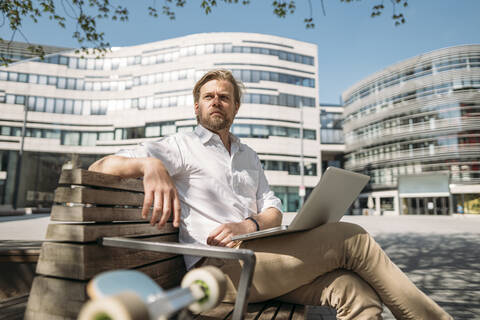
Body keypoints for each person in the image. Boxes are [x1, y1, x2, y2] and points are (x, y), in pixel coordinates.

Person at [89, 69, 452, 320]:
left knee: (353, 289)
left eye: (224, 97)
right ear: (197, 106)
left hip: (258, 263)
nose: (217, 102)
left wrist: (248, 223)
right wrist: (150, 166)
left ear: (235, 107)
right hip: (218, 273)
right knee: (352, 238)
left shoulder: (248, 155)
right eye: (209, 97)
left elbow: (273, 210)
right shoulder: (180, 146)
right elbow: (100, 167)